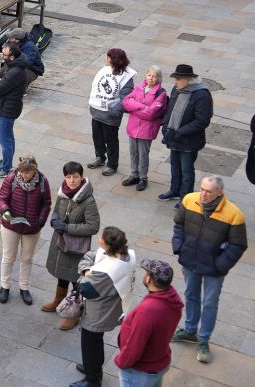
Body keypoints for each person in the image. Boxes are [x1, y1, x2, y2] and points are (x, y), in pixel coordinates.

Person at [171, 174, 247, 363]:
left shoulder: (234, 214)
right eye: (202, 189)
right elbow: (179, 224)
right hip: (190, 260)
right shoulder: (189, 200)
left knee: (210, 303)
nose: (203, 194)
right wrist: (179, 246)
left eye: (209, 191)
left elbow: (238, 245)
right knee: (191, 295)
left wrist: (220, 265)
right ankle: (189, 330)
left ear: (220, 193)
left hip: (214, 268)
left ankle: (203, 340)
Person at [74, 227, 136, 387]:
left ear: (108, 245)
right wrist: (87, 270)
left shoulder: (106, 271)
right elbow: (90, 255)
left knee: (90, 344)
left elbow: (86, 289)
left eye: (102, 237)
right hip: (111, 307)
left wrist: (85, 272)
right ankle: (93, 369)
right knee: (96, 342)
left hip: (97, 313)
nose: (99, 237)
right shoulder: (126, 255)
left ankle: (92, 380)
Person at [42, 162, 100, 331]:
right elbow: (57, 210)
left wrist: (67, 228)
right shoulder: (63, 193)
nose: (72, 180)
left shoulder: (88, 201)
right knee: (62, 274)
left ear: (82, 177)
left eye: (75, 177)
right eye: (68, 177)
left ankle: (74, 313)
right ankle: (59, 301)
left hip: (76, 246)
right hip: (61, 242)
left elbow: (93, 226)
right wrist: (54, 219)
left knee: (75, 279)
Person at [113, 259, 182, 386]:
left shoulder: (146, 312)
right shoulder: (172, 299)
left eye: (146, 272)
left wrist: (121, 361)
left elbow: (135, 346)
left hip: (140, 372)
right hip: (158, 362)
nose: (144, 275)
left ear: (149, 279)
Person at [0, 155, 51, 305]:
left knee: (27, 259)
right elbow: (2, 199)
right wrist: (5, 211)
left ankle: (24, 287)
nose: (24, 176)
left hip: (32, 227)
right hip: (11, 226)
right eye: (22, 172)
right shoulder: (11, 179)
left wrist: (40, 221)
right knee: (8, 257)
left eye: (28, 173)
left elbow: (46, 204)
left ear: (34, 170)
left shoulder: (42, 182)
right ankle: (4, 286)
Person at [158, 64, 214, 202]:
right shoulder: (177, 89)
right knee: (174, 166)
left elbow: (202, 121)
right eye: (175, 78)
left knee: (187, 171)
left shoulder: (201, 94)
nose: (175, 82)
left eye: (178, 79)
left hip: (189, 140)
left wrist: (180, 132)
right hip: (174, 137)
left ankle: (185, 198)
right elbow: (170, 109)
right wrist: (165, 125)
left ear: (188, 79)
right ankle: (174, 190)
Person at [87, 48, 136, 176]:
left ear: (114, 59)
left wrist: (114, 111)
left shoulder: (126, 77)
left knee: (111, 140)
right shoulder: (105, 69)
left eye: (108, 57)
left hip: (110, 115)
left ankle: (112, 164)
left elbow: (126, 98)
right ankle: (100, 157)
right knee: (97, 137)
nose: (106, 59)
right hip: (97, 112)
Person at [120, 65, 168, 193]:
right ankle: (134, 175)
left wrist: (134, 109)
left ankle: (143, 178)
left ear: (158, 79)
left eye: (154, 76)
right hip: (133, 127)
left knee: (143, 155)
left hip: (147, 130)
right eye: (149, 75)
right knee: (133, 153)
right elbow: (125, 101)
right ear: (146, 75)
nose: (151, 78)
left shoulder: (161, 93)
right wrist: (142, 107)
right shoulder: (139, 87)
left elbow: (151, 113)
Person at [0, 45, 27, 178]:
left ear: (12, 56)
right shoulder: (11, 65)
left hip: (8, 109)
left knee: (5, 139)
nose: (2, 57)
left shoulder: (15, 71)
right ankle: (7, 162)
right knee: (8, 137)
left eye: (4, 55)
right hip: (6, 107)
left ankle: (5, 169)